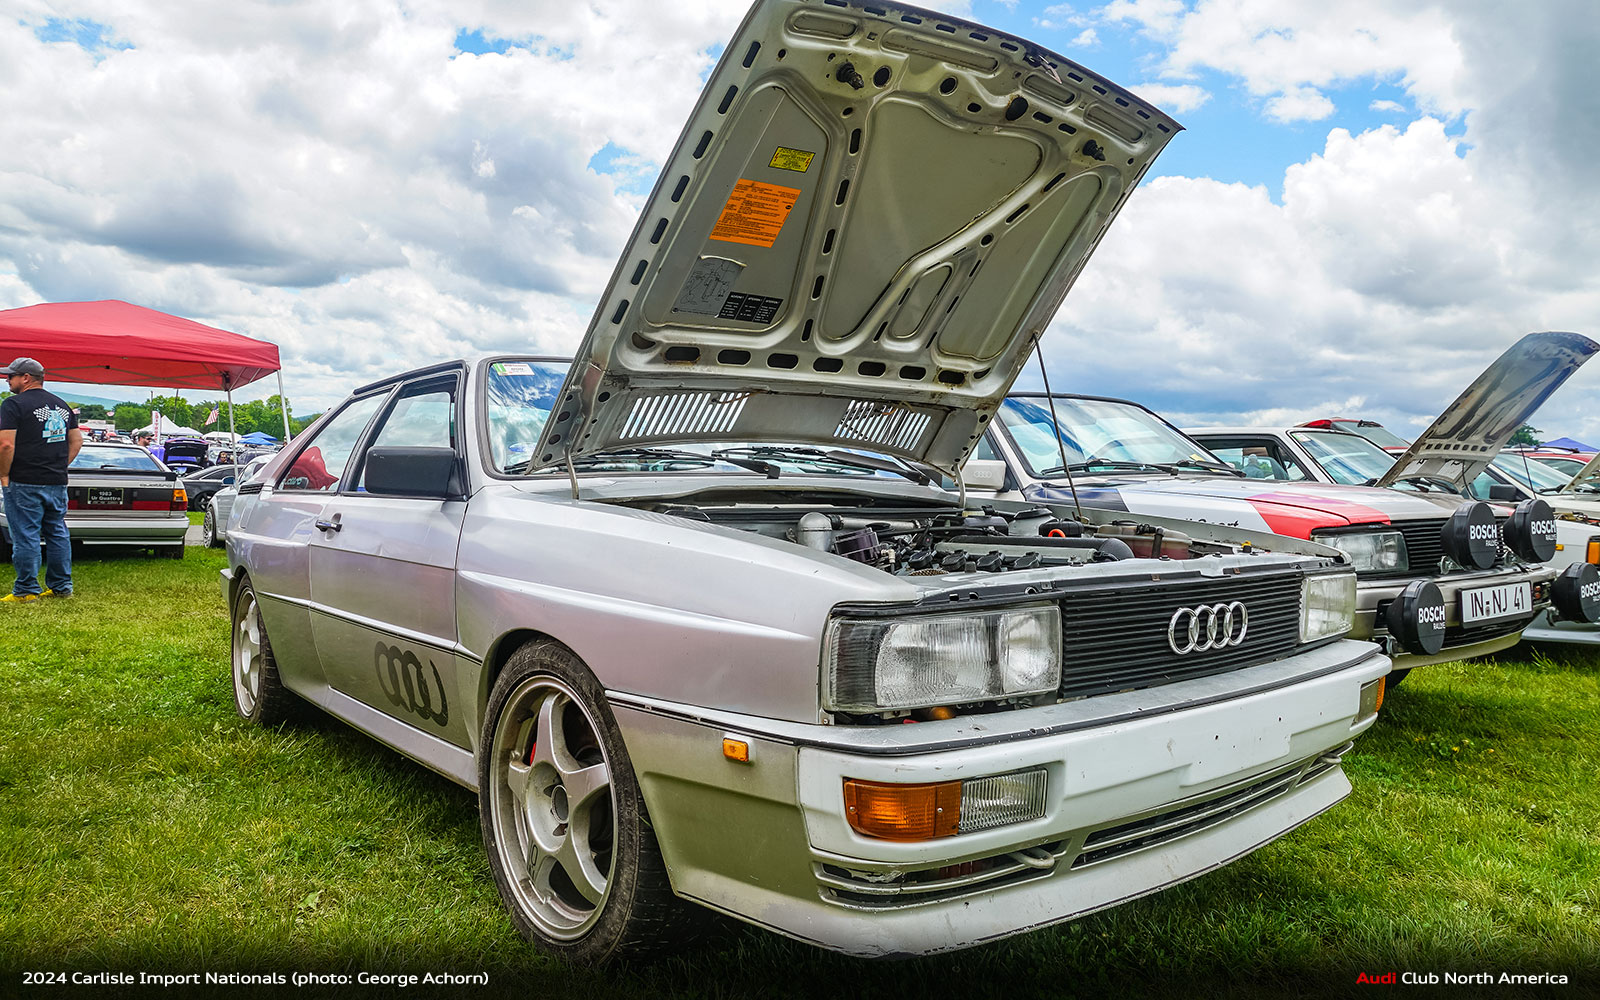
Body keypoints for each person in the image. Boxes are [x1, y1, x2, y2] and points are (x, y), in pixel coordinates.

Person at [0, 357, 82, 602]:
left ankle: (26, 589)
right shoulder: (62, 405)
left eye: (11, 376)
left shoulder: (13, 404)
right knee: (57, 532)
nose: (7, 380)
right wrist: (59, 466)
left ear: (26, 378)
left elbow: (5, 445)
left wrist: (4, 474)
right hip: (56, 481)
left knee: (26, 534)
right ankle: (61, 587)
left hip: (23, 480)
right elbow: (77, 441)